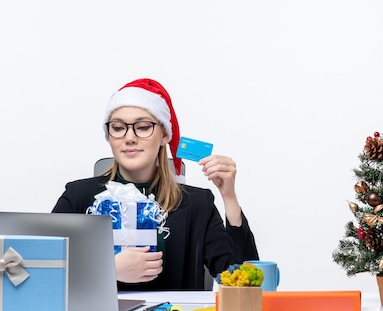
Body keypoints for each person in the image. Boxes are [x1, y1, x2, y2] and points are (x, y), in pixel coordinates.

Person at [52, 78, 259, 290]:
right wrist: (108, 267)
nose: (129, 137)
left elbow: (245, 283)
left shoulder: (197, 204)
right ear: (109, 136)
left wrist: (229, 196)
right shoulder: (78, 196)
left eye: (142, 127)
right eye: (118, 127)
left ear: (164, 136)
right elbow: (37, 266)